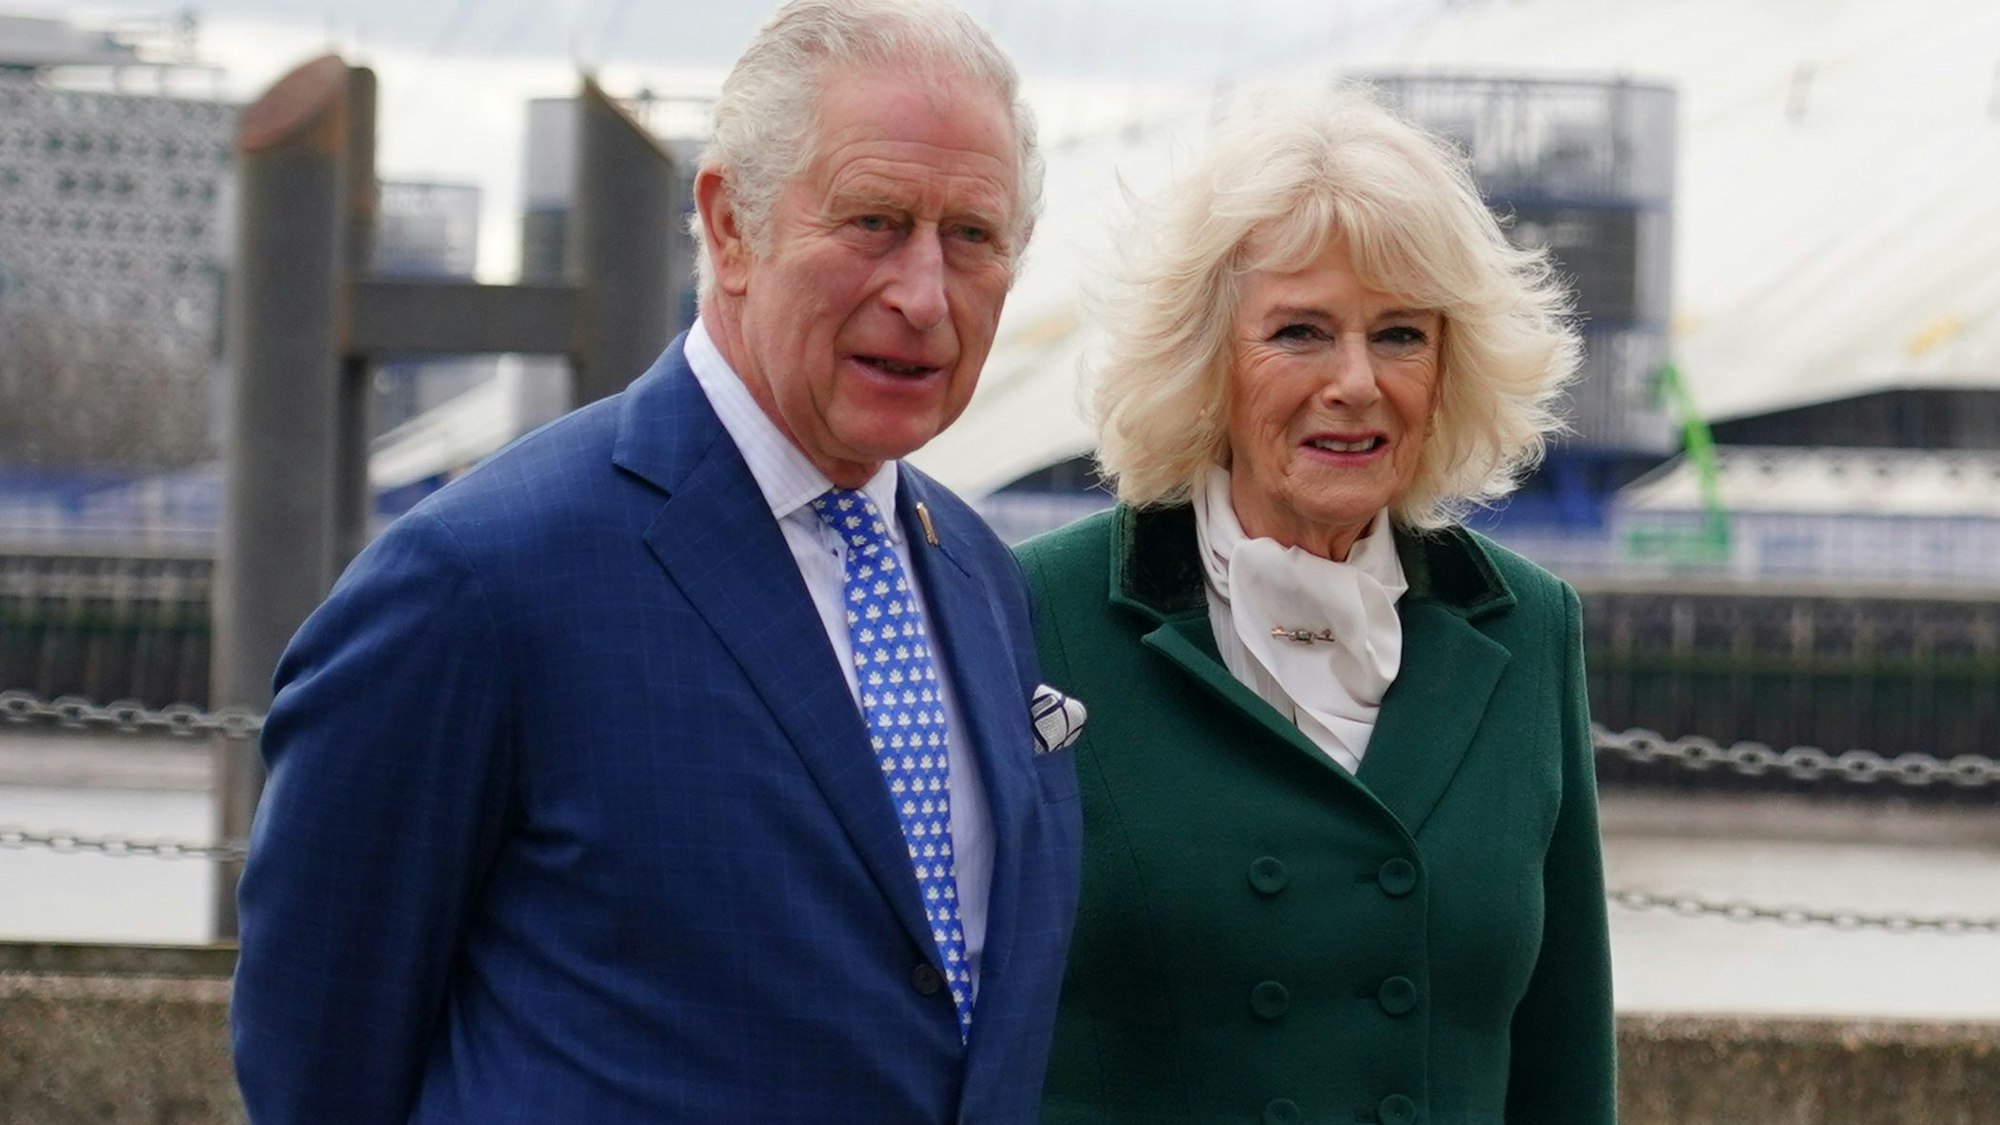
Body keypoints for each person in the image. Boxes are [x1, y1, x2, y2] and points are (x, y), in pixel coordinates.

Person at [230, 2, 1083, 1120]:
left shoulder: (977, 577)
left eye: (971, 237)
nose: (924, 295)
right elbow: (318, 1061)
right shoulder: (479, 582)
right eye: (874, 221)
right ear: (730, 227)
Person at [1018, 88, 1616, 1124]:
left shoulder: (1526, 626)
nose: (1353, 382)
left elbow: (1562, 1067)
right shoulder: (1039, 614)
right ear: (1208, 358)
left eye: (1397, 335)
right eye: (1298, 331)